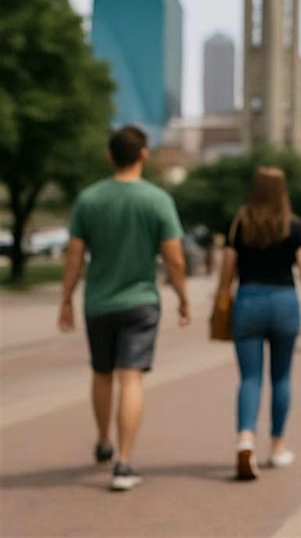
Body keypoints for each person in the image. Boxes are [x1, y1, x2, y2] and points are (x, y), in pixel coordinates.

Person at [58, 125, 189, 491]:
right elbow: (175, 259)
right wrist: (182, 298)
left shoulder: (89, 199)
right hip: (141, 301)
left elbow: (74, 255)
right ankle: (124, 463)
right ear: (144, 155)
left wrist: (66, 297)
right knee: (131, 378)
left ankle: (104, 441)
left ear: (109, 156)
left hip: (98, 302)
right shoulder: (158, 200)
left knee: (102, 374)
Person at [217, 166, 301, 481]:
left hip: (248, 301)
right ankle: (278, 447)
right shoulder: (293, 225)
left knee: (249, 378)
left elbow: (227, 271)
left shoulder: (239, 223)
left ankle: (245, 439)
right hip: (284, 303)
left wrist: (222, 299)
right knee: (281, 378)